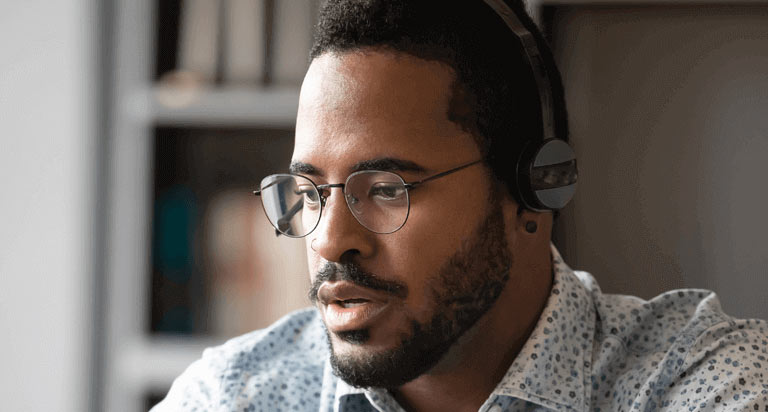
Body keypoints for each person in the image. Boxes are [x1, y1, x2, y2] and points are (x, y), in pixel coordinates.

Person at [153, 1, 768, 411]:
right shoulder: (231, 396)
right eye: (310, 192)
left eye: (387, 188)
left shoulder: (707, 384)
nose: (329, 241)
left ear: (535, 188)